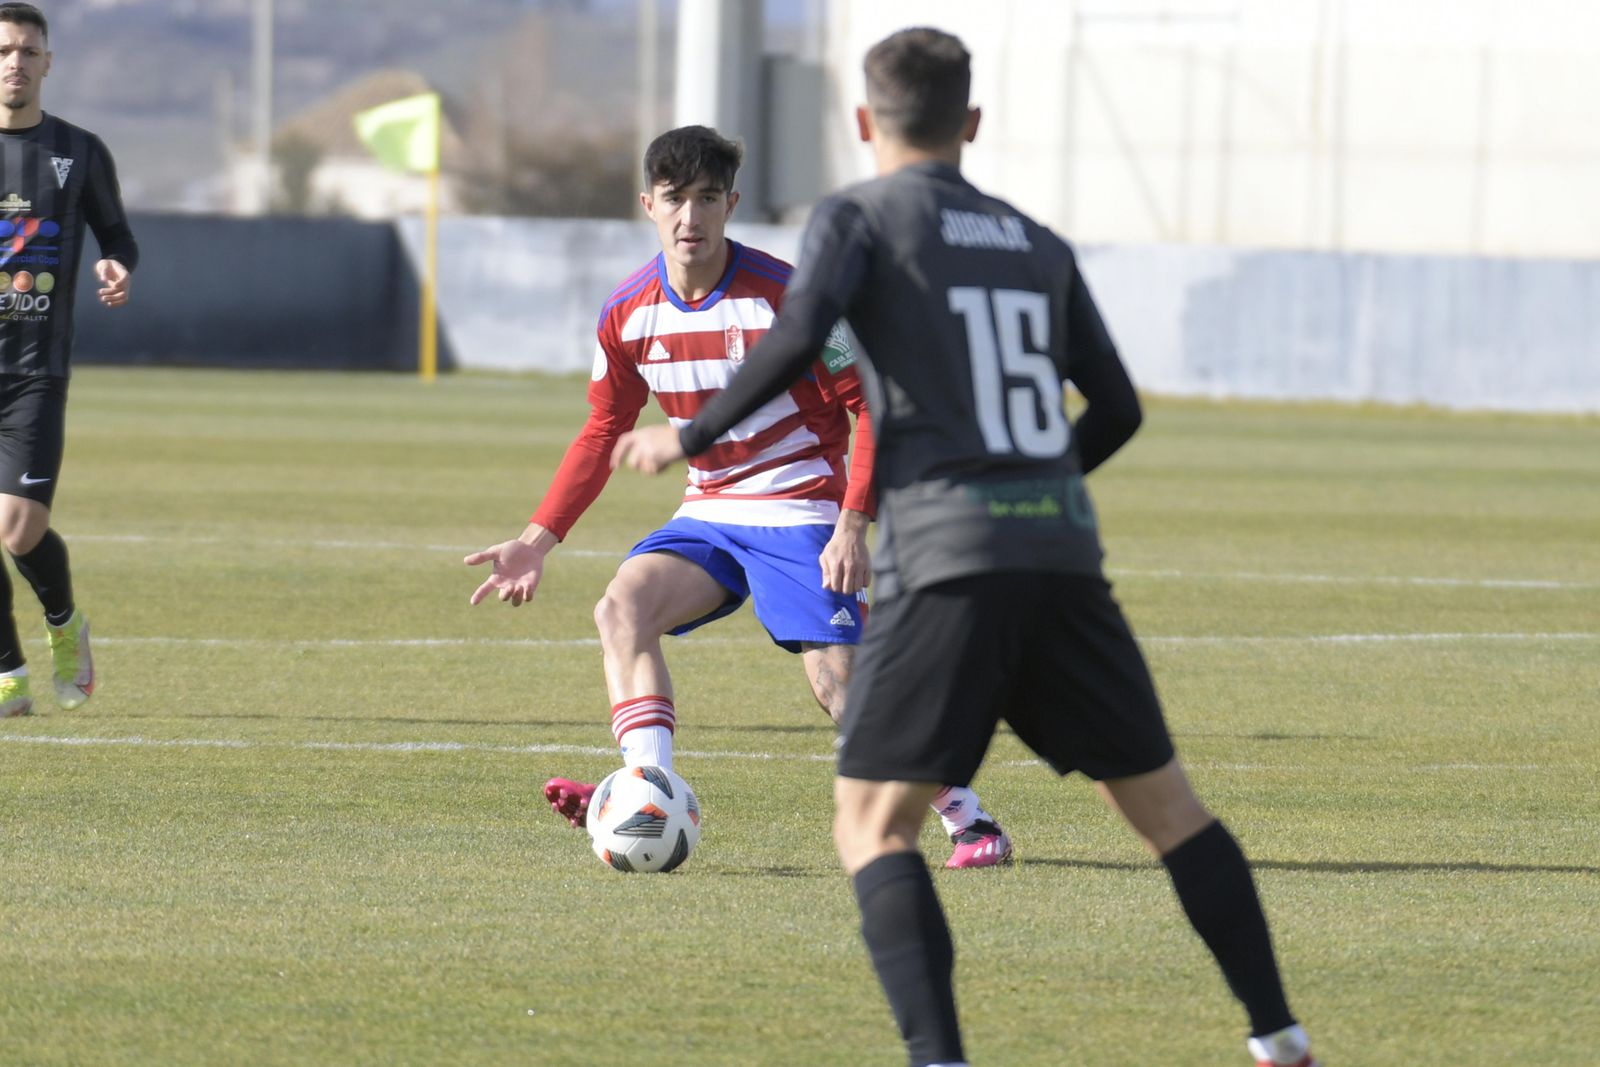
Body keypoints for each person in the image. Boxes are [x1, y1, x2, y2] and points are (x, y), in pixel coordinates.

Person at [611, 28, 1319, 1067]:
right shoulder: (1035, 239)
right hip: (1064, 561)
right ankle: (1279, 1034)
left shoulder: (857, 214)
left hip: (948, 558)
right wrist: (1042, 486)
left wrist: (689, 433)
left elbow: (800, 337)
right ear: (970, 126)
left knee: (871, 827)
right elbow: (1116, 407)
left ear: (865, 124)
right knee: (1171, 813)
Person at [465, 124, 1014, 869]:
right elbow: (602, 431)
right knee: (620, 607)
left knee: (841, 689)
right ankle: (646, 787)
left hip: (802, 512)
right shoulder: (627, 312)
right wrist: (537, 538)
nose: (689, 217)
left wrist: (852, 525)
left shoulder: (796, 298)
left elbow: (874, 407)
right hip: (710, 513)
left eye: (706, 199)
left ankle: (970, 818)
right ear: (647, 205)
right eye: (674, 199)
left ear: (731, 204)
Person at [0, 2, 135, 719]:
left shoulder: (79, 150)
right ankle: (7, 677)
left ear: (47, 63)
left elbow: (119, 234)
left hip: (33, 374)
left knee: (17, 530)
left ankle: (64, 626)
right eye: (3, 51)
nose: (14, 63)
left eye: (26, 51)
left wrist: (117, 265)